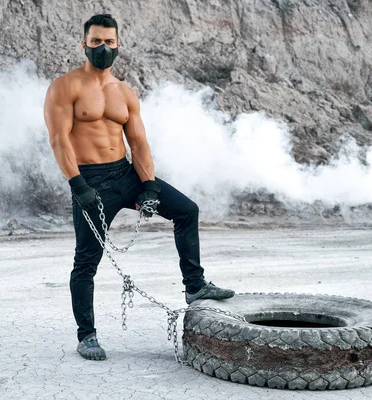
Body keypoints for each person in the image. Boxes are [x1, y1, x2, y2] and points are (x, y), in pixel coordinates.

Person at [43, 13, 235, 361]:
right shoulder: (65, 87)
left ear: (119, 45)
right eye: (97, 41)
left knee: (186, 210)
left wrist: (148, 184)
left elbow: (140, 143)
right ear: (84, 43)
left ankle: (194, 285)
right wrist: (78, 185)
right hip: (91, 181)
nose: (103, 48)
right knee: (86, 262)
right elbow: (59, 141)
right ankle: (87, 336)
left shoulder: (124, 93)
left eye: (109, 42)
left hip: (125, 174)